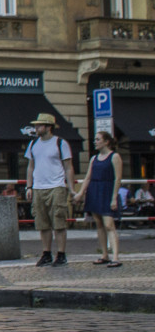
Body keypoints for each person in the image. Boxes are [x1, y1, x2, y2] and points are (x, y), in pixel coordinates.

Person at [24, 113, 78, 267]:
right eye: (36, 125)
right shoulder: (33, 144)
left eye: (39, 125)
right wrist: (29, 186)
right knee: (42, 223)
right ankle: (46, 253)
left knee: (58, 221)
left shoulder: (60, 143)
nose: (36, 128)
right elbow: (30, 166)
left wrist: (71, 188)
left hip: (56, 186)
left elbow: (68, 167)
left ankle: (61, 254)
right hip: (39, 187)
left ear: (48, 127)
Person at [74, 131, 123, 268]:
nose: (95, 142)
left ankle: (116, 256)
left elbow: (117, 178)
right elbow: (88, 177)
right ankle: (104, 254)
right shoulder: (94, 158)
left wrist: (114, 197)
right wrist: (81, 193)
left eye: (98, 139)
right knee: (99, 224)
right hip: (94, 190)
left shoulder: (115, 157)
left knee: (109, 224)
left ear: (106, 141)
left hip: (107, 190)